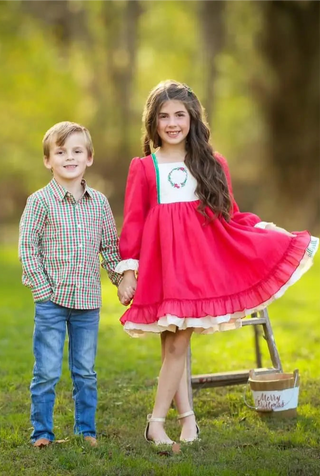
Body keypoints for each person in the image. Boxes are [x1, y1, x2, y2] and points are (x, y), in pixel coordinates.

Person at [116, 80, 319, 445]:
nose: (172, 123)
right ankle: (188, 421)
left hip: (199, 272)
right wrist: (128, 269)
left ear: (193, 118)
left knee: (177, 346)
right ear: (153, 122)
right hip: (163, 271)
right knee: (171, 346)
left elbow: (229, 217)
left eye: (180, 115)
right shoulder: (145, 168)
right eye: (164, 116)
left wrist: (261, 230)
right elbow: (133, 221)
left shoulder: (212, 163)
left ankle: (156, 423)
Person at [19, 121, 128, 447]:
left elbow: (110, 248)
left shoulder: (100, 204)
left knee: (85, 372)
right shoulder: (40, 202)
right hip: (51, 301)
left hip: (87, 303)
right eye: (61, 151)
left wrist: (120, 280)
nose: (69, 157)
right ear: (48, 160)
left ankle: (86, 430)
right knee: (47, 372)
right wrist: (42, 290)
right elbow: (27, 246)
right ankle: (42, 433)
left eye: (77, 151)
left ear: (89, 157)